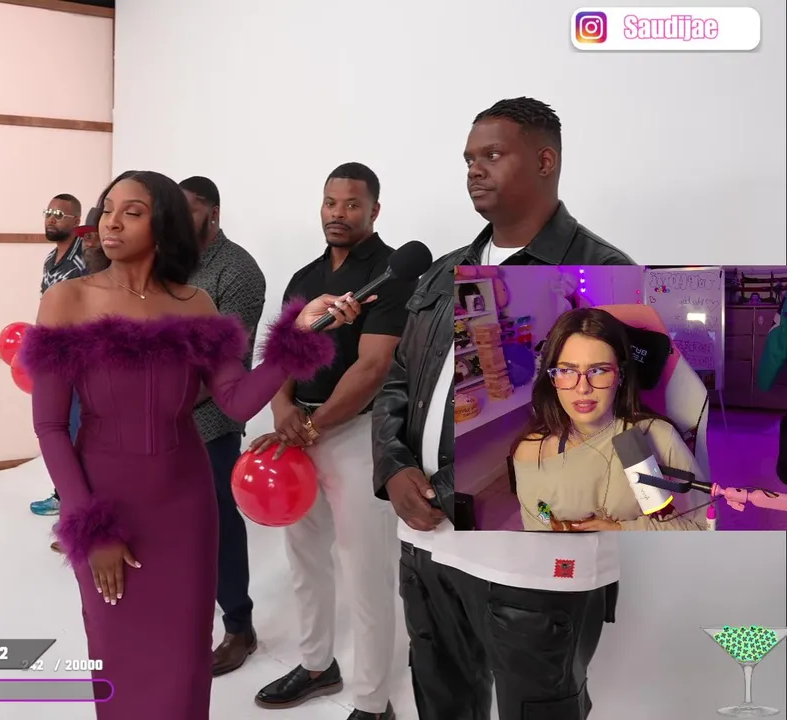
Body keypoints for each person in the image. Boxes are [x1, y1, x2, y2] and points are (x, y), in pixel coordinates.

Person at [19, 170, 364, 720]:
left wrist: (299, 334)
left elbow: (236, 402)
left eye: (132, 211)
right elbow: (51, 427)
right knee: (118, 656)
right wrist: (90, 526)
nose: (111, 221)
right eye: (108, 208)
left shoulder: (197, 303)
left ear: (164, 225)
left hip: (185, 506)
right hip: (107, 504)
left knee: (183, 663)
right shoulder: (68, 299)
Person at [371, 97, 633, 720]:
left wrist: (447, 487)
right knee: (442, 705)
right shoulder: (443, 274)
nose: (474, 169)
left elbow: (606, 426)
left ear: (545, 161)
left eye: (492, 154)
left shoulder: (603, 274)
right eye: (468, 158)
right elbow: (399, 380)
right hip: (428, 547)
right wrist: (392, 467)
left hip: (532, 564)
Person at [251, 163, 410, 720]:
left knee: (365, 571)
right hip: (301, 429)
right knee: (304, 558)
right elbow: (283, 352)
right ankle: (318, 666)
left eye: (351, 204)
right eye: (330, 202)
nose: (338, 213)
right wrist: (283, 409)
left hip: (359, 433)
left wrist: (314, 426)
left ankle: (372, 701)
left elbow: (373, 368)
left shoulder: (393, 273)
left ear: (374, 210)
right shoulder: (305, 276)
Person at [177, 176, 268, 675]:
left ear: (213, 212)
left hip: (211, 419)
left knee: (219, 525)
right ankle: (184, 617)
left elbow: (224, 361)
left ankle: (239, 626)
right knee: (174, 524)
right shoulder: (171, 262)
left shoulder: (238, 271)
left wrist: (169, 404)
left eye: (188, 209)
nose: (176, 218)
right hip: (163, 419)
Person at [512, 308, 707, 531]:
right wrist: (555, 529)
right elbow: (538, 515)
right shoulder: (531, 452)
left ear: (620, 375)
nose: (582, 388)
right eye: (567, 371)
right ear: (552, 377)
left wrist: (621, 531)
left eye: (598, 371)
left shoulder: (660, 439)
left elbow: (701, 526)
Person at [31, 193, 87, 521]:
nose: (51, 218)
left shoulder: (86, 257)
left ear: (76, 221)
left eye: (59, 214)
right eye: (49, 212)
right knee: (56, 427)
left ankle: (77, 505)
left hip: (81, 358)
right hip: (54, 357)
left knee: (78, 429)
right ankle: (63, 493)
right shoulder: (50, 259)